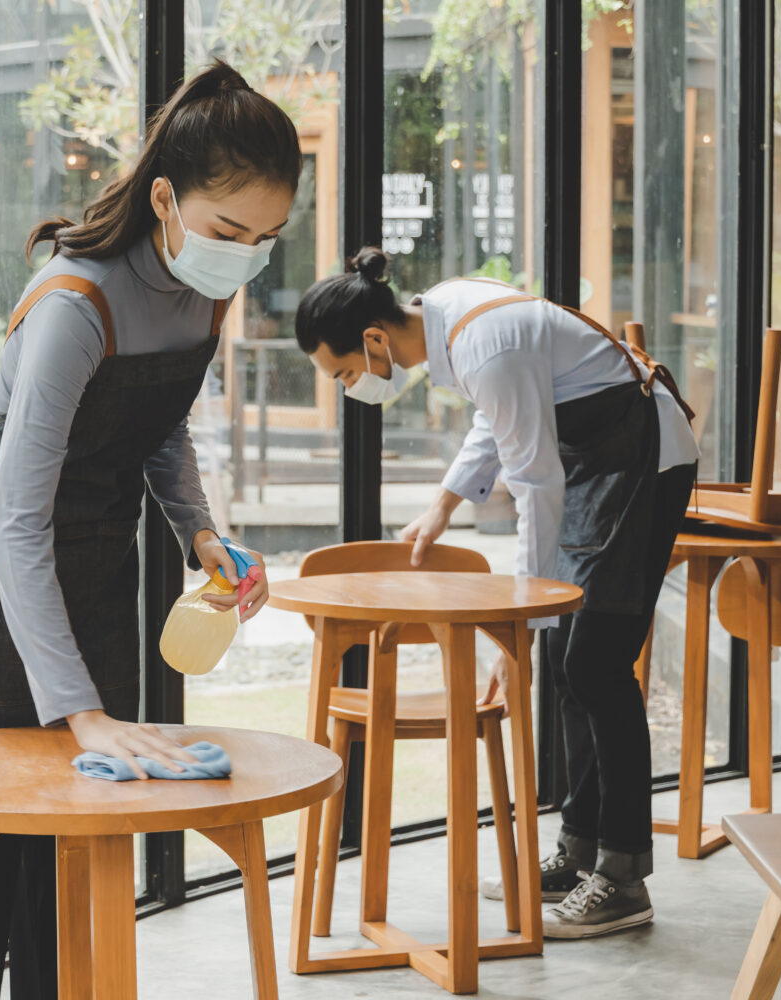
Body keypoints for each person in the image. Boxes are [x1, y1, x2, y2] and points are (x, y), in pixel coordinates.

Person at [0, 61, 299, 997]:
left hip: (99, 548)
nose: (244, 255)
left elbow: (162, 425)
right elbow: (15, 523)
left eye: (268, 239)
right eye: (229, 230)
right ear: (164, 198)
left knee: (79, 829)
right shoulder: (75, 303)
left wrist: (201, 534)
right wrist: (80, 707)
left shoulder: (206, 288)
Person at [293, 248, 697, 939]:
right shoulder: (448, 315)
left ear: (373, 339)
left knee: (594, 665)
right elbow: (497, 417)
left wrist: (518, 622)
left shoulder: (484, 342)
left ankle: (625, 877)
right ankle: (579, 849)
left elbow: (535, 483)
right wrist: (446, 503)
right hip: (596, 462)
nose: (349, 386)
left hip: (641, 461)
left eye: (345, 373)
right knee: (576, 666)